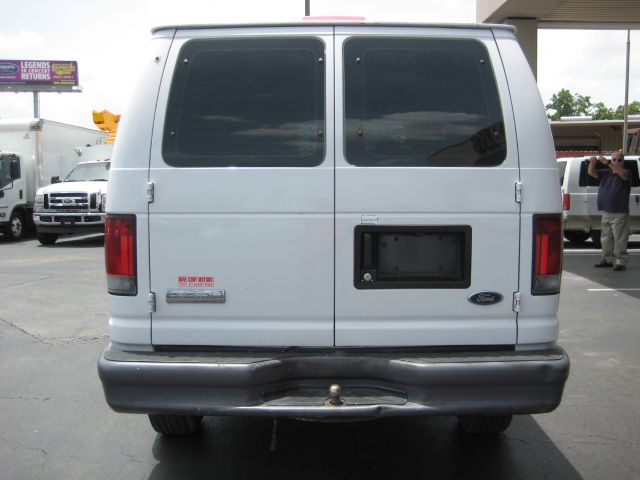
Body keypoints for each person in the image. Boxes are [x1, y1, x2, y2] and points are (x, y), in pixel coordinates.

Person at [588, 151, 631, 271]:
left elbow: (621, 173)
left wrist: (607, 163)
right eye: (614, 160)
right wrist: (592, 162)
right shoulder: (607, 173)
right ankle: (607, 259)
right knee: (606, 238)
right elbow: (591, 172)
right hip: (606, 211)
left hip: (620, 212)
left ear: (623, 161)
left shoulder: (626, 172)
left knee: (620, 239)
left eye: (619, 160)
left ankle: (621, 261)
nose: (616, 162)